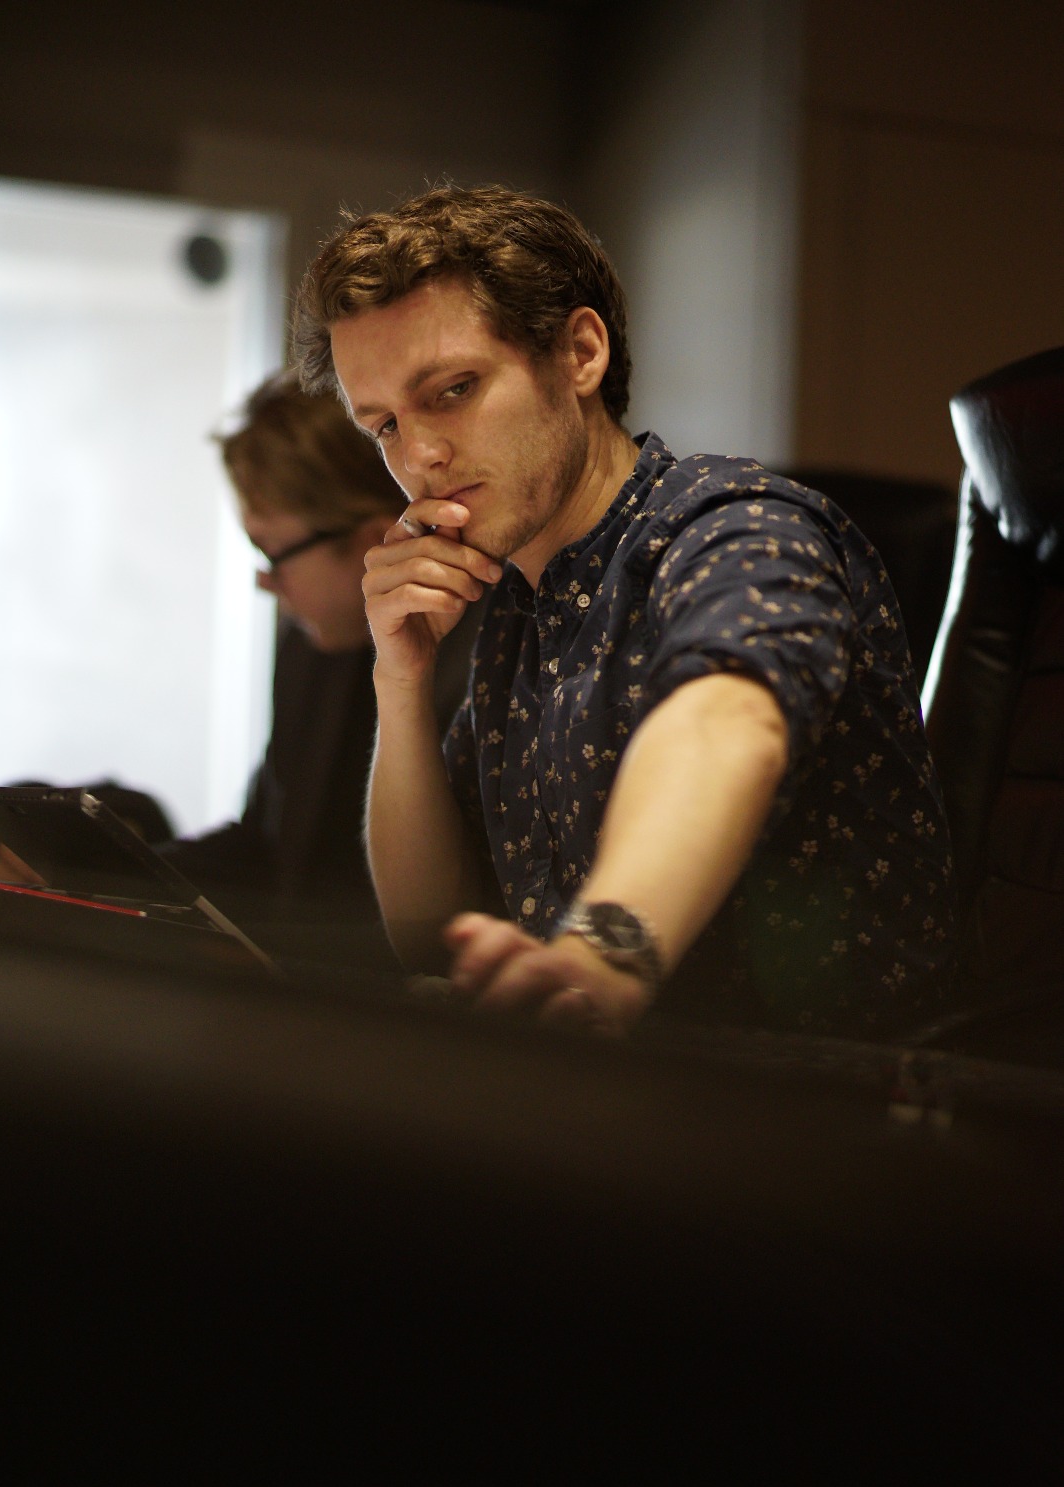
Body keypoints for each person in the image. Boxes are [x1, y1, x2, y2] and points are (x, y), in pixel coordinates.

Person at [291, 184, 956, 1037]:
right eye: (382, 424)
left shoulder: (738, 527)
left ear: (579, 353)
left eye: (453, 389)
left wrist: (601, 956)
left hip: (825, 1115)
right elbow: (428, 939)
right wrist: (401, 679)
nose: (417, 455)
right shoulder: (521, 606)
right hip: (620, 1106)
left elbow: (727, 721)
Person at [163, 370, 477, 937]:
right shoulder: (312, 650)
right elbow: (267, 851)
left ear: (369, 541)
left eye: (273, 553)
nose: (266, 583)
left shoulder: (485, 664)